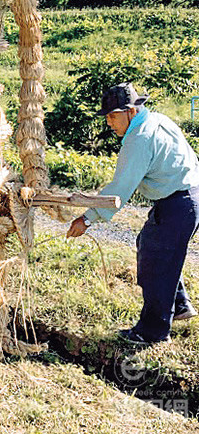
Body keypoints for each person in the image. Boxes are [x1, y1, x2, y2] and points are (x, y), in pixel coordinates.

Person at [67, 82, 199, 345]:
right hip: (189, 194)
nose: (109, 123)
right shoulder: (158, 120)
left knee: (156, 264)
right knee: (150, 246)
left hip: (179, 203)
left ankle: (153, 332)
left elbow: (120, 190)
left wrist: (86, 219)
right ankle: (180, 304)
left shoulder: (139, 139)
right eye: (106, 117)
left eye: (113, 116)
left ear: (130, 111)